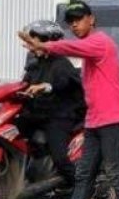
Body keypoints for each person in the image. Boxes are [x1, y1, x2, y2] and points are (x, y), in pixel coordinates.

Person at [18, 1, 119, 199]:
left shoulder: (99, 42)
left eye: (79, 18)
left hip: (113, 119)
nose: (74, 23)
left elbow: (71, 47)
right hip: (95, 120)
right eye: (71, 20)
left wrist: (44, 45)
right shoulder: (89, 49)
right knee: (83, 175)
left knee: (115, 172)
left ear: (91, 19)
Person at [17, 20, 85, 189]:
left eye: (34, 41)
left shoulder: (62, 65)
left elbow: (59, 84)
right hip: (39, 113)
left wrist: (45, 87)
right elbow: (23, 85)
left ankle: (84, 193)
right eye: (29, 42)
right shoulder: (34, 65)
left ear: (49, 42)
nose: (30, 46)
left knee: (60, 157)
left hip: (60, 116)